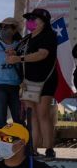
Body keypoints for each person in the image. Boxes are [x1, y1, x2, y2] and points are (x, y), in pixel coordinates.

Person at [11, 8, 58, 159]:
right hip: (28, 82)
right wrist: (12, 54)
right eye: (29, 18)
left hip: (46, 80)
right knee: (31, 117)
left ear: (44, 22)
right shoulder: (26, 39)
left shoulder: (49, 35)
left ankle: (49, 149)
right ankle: (33, 148)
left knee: (43, 114)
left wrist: (20, 59)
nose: (31, 21)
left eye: (35, 18)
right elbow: (16, 52)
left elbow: (42, 54)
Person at [0, 17, 23, 129]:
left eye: (7, 27)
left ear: (15, 29)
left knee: (19, 118)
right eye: (1, 27)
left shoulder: (21, 46)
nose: (3, 29)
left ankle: (21, 144)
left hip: (16, 88)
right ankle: (1, 145)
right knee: (0, 119)